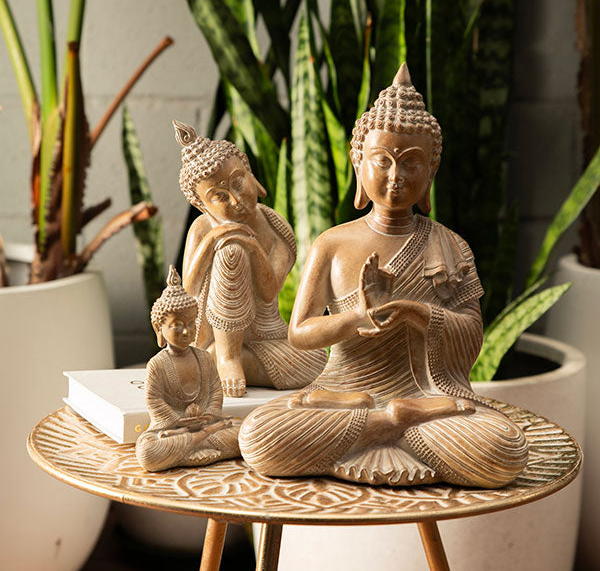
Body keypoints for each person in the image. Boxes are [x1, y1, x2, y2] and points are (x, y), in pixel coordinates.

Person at [238, 64, 529, 488]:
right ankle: (390, 423)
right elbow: (299, 333)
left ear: (431, 171)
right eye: (383, 161)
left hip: (426, 397)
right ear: (358, 163)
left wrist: (416, 313)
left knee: (504, 448)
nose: (396, 177)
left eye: (412, 164)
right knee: (259, 437)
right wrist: (358, 318)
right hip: (344, 395)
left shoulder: (450, 245)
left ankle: (391, 420)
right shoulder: (331, 243)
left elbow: (472, 333)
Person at [173, 120, 327, 398]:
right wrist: (212, 241)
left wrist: (255, 249)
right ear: (201, 205)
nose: (235, 200)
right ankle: (227, 356)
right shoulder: (201, 229)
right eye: (219, 196)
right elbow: (189, 290)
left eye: (238, 183)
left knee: (317, 360)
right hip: (212, 332)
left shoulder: (276, 227)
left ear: (249, 172)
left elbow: (268, 293)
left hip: (266, 337)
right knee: (231, 250)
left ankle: (215, 361)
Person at [135, 266, 240, 472]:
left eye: (191, 323)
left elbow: (216, 392)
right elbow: (154, 401)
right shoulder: (157, 364)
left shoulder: (205, 358)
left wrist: (209, 414)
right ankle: (198, 443)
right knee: (147, 452)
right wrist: (179, 420)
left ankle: (191, 446)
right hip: (173, 430)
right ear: (159, 328)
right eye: (177, 325)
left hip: (207, 425)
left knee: (243, 432)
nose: (186, 331)